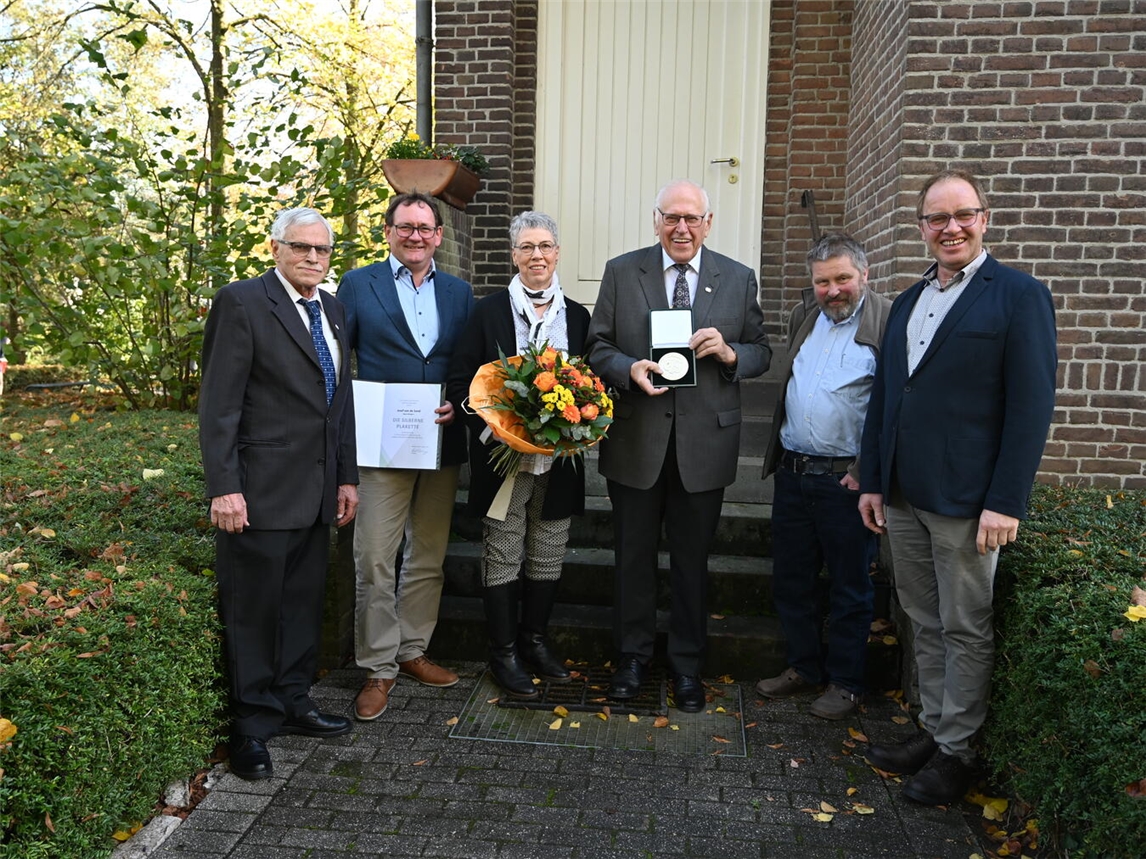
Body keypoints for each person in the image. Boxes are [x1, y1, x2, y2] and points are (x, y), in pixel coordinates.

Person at [858, 169, 1057, 804]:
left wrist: (1007, 499)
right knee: (923, 618)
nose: (951, 227)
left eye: (962, 215)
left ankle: (958, 753)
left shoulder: (1019, 297)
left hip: (970, 502)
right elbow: (887, 397)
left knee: (966, 625)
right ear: (921, 228)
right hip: (906, 496)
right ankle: (934, 729)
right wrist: (872, 480)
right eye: (937, 218)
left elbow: (1030, 408)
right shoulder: (911, 300)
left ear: (984, 218)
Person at [585, 180, 771, 713]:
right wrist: (627, 368)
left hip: (704, 445)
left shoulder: (737, 278)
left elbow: (762, 351)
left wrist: (731, 353)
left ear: (709, 223)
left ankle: (688, 666)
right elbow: (597, 344)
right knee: (632, 559)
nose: (682, 228)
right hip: (637, 440)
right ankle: (632, 658)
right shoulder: (623, 271)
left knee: (692, 562)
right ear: (655, 220)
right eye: (672, 218)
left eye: (692, 219)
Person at [199, 207, 359, 781]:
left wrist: (346, 477)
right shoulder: (242, 303)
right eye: (301, 247)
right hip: (259, 494)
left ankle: (293, 701)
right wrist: (225, 488)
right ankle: (251, 725)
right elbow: (220, 405)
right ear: (275, 248)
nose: (313, 257)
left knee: (299, 609)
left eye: (321, 249)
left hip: (317, 494)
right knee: (253, 612)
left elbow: (337, 405)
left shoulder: (334, 309)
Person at [337, 192, 475, 722]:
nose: (415, 236)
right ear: (388, 232)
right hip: (378, 443)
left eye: (424, 227)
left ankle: (412, 650)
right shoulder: (357, 284)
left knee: (428, 554)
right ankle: (377, 666)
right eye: (405, 227)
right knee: (373, 554)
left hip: (439, 441)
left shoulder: (461, 293)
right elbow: (338, 357)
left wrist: (458, 406)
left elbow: (469, 367)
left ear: (439, 235)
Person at [447, 211, 590, 699]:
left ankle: (535, 642)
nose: (537, 256)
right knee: (504, 551)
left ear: (557, 253)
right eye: (527, 247)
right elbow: (461, 381)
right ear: (513, 255)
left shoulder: (578, 315)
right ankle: (503, 653)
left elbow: (590, 386)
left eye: (545, 246)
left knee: (548, 551)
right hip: (501, 460)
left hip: (561, 459)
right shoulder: (486, 313)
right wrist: (495, 430)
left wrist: (582, 421)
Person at [755, 233, 891, 720]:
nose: (833, 291)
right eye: (822, 282)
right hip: (793, 475)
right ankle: (804, 667)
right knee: (792, 579)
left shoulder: (888, 321)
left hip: (846, 483)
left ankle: (847, 683)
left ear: (864, 275)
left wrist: (866, 472)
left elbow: (894, 408)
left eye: (842, 279)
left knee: (851, 586)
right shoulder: (804, 318)